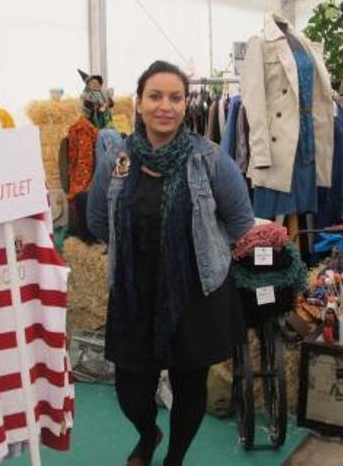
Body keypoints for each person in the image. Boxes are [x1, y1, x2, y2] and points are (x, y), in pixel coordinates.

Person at [87, 60, 254, 466]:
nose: (166, 106)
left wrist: (204, 252)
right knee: (131, 389)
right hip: (134, 292)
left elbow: (240, 222)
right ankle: (148, 433)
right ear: (139, 102)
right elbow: (96, 220)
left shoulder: (210, 159)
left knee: (189, 383)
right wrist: (137, 252)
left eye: (175, 97)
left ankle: (173, 458)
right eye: (156, 96)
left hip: (194, 294)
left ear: (186, 104)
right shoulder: (117, 159)